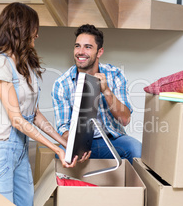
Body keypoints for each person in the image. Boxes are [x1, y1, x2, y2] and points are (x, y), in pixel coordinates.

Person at [0, 3, 86, 206]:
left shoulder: (25, 63)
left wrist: (63, 141)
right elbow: (16, 119)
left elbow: (32, 113)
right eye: (34, 27)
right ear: (20, 29)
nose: (37, 33)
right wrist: (56, 150)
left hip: (20, 151)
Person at [52, 24, 142, 164]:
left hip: (113, 140)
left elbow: (125, 120)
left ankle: (136, 186)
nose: (81, 52)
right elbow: (64, 129)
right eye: (77, 46)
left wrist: (106, 91)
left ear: (99, 52)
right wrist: (74, 145)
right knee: (61, 156)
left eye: (88, 47)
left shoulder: (115, 74)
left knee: (137, 150)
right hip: (82, 144)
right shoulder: (62, 84)